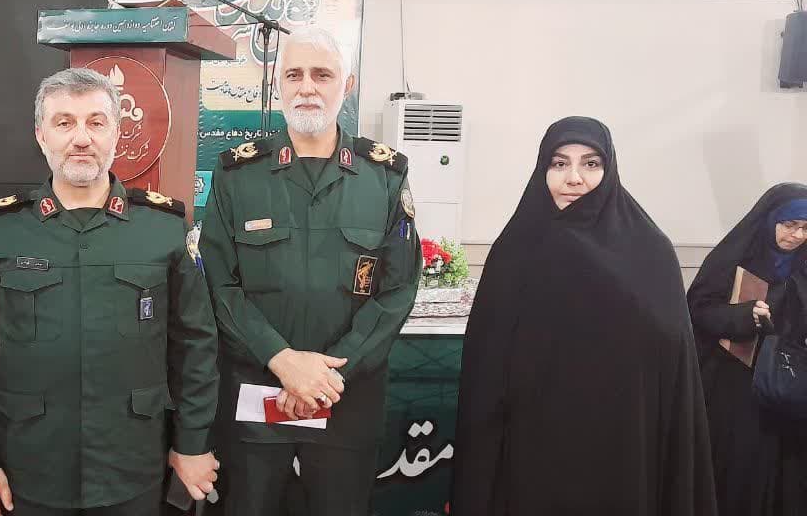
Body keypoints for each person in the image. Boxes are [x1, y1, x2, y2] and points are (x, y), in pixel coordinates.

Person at [0, 68, 220, 516]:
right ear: (41, 136)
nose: (81, 138)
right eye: (64, 123)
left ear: (116, 133)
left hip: (133, 466)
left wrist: (192, 443)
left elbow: (195, 346)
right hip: (28, 469)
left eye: (96, 122)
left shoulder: (163, 229)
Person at [198, 26, 420, 516]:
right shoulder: (238, 174)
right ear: (278, 83)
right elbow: (218, 284)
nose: (307, 87)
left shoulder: (383, 176)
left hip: (346, 400)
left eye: (322, 75)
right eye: (294, 74)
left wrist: (326, 378)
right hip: (257, 397)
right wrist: (283, 360)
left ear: (348, 84)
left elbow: (398, 288)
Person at [450, 116, 717, 516]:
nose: (573, 178)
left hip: (622, 449)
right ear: (542, 170)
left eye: (591, 164)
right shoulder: (515, 251)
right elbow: (484, 370)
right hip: (532, 447)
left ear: (609, 170)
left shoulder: (649, 250)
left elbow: (673, 364)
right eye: (559, 163)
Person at [688, 182, 807, 515]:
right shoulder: (735, 258)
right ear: (770, 220)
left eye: (806, 228)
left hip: (789, 391)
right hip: (736, 388)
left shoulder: (803, 266)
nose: (797, 236)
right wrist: (743, 315)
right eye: (790, 224)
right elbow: (698, 309)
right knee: (738, 471)